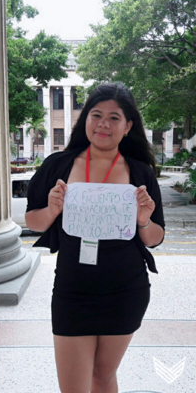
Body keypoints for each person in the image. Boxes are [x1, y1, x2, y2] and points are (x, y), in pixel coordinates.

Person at [25, 83, 165, 393]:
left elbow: (155, 238)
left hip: (126, 291)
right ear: (85, 119)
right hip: (72, 292)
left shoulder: (140, 173)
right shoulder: (57, 166)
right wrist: (51, 210)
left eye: (114, 118)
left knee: (103, 377)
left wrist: (143, 221)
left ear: (128, 126)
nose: (103, 124)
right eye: (96, 114)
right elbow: (32, 221)